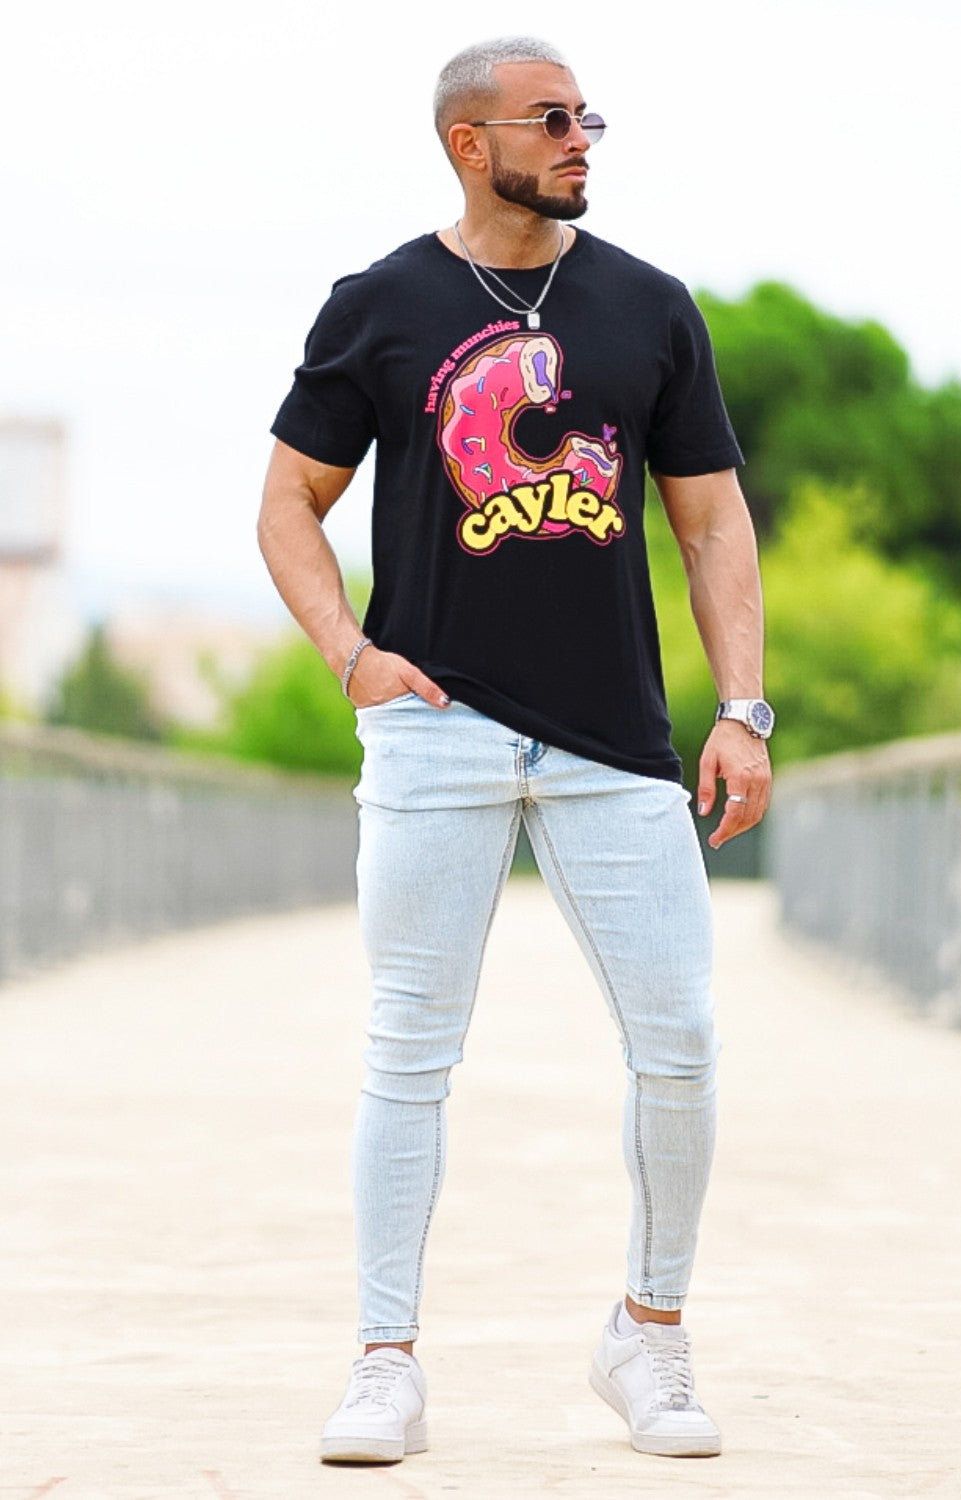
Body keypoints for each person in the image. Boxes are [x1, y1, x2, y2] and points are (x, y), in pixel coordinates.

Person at [258, 35, 773, 1466]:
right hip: (436, 731)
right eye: (552, 120)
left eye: (588, 117)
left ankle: (649, 1335)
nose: (580, 139)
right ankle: (385, 1364)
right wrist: (351, 656)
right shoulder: (380, 306)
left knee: (680, 1042)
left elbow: (712, 522)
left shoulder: (650, 308)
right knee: (409, 1049)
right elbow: (289, 503)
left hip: (615, 742)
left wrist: (743, 711)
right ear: (468, 143)